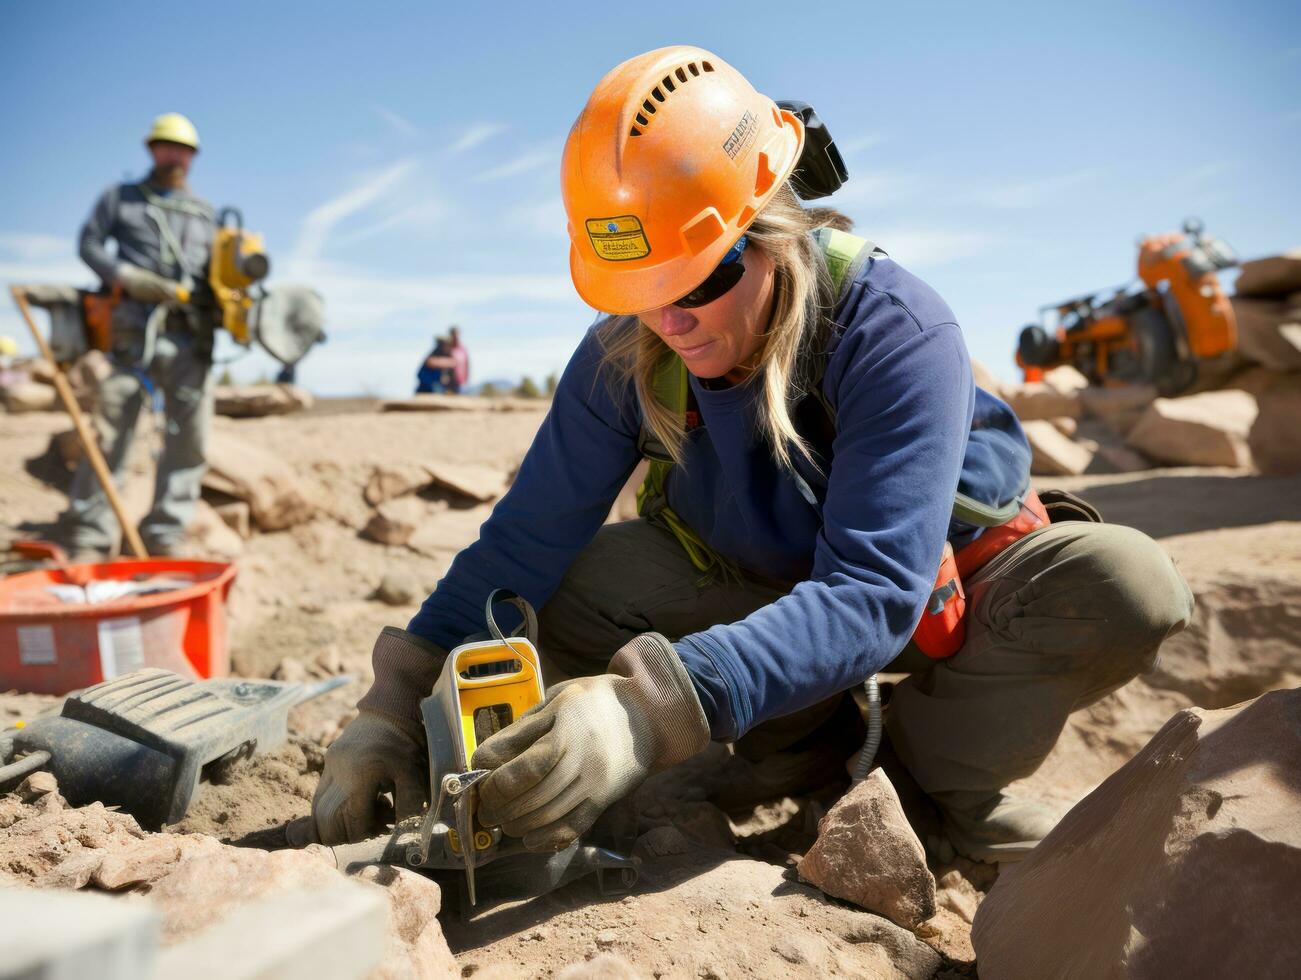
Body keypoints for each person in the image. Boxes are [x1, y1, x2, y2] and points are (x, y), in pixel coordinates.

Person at [312, 47, 1193, 863]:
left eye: (697, 277)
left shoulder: (893, 330)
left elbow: (872, 591)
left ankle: (933, 790)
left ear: (774, 227)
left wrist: (644, 711)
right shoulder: (627, 350)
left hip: (931, 597)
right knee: (569, 588)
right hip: (764, 590)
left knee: (1121, 581)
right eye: (638, 288)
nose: (669, 319)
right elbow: (520, 543)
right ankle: (802, 751)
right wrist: (394, 702)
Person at [55, 113, 217, 558]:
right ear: (152, 150)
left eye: (182, 149)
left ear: (193, 156)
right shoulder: (120, 198)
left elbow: (222, 276)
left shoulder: (205, 213)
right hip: (131, 334)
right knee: (112, 433)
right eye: (166, 146)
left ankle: (165, 534)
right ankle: (91, 535)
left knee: (189, 439)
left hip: (191, 338)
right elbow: (88, 244)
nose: (174, 155)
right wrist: (124, 275)